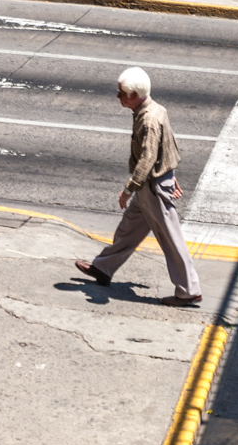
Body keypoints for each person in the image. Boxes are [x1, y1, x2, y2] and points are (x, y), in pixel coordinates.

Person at [76, 67, 203, 306]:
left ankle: (189, 290)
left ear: (134, 95)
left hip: (152, 187)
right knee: (130, 227)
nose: (118, 97)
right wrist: (169, 172)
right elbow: (168, 146)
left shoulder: (149, 120)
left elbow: (147, 158)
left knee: (170, 238)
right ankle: (103, 268)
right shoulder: (155, 109)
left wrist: (128, 189)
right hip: (154, 183)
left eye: (122, 93)